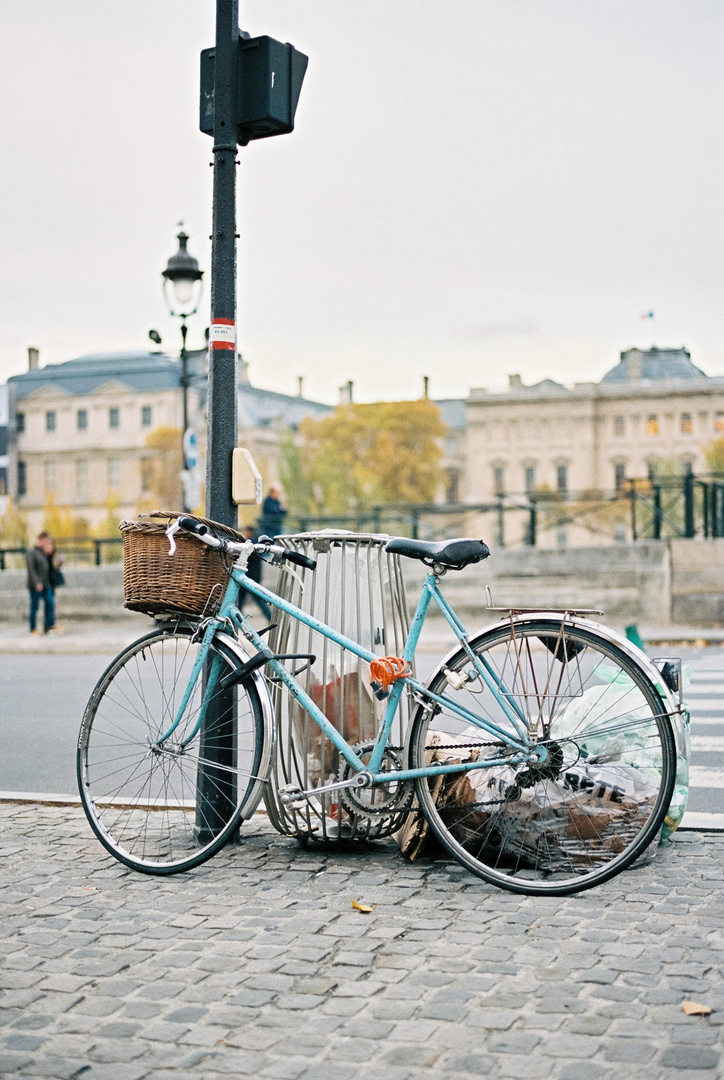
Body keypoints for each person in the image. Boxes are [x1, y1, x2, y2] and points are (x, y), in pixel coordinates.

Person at [26, 531, 60, 635]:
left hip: (46, 584)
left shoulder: (43, 553)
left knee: (50, 604)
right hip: (36, 585)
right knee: (34, 607)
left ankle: (49, 626)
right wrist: (37, 582)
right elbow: (31, 569)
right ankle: (33, 629)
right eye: (45, 541)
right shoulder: (31, 553)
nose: (47, 543)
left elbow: (49, 567)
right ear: (40, 540)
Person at [238, 525, 272, 622]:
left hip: (248, 577)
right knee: (242, 601)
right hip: (251, 577)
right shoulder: (256, 544)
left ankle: (270, 617)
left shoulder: (250, 545)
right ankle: (270, 618)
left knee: (252, 600)